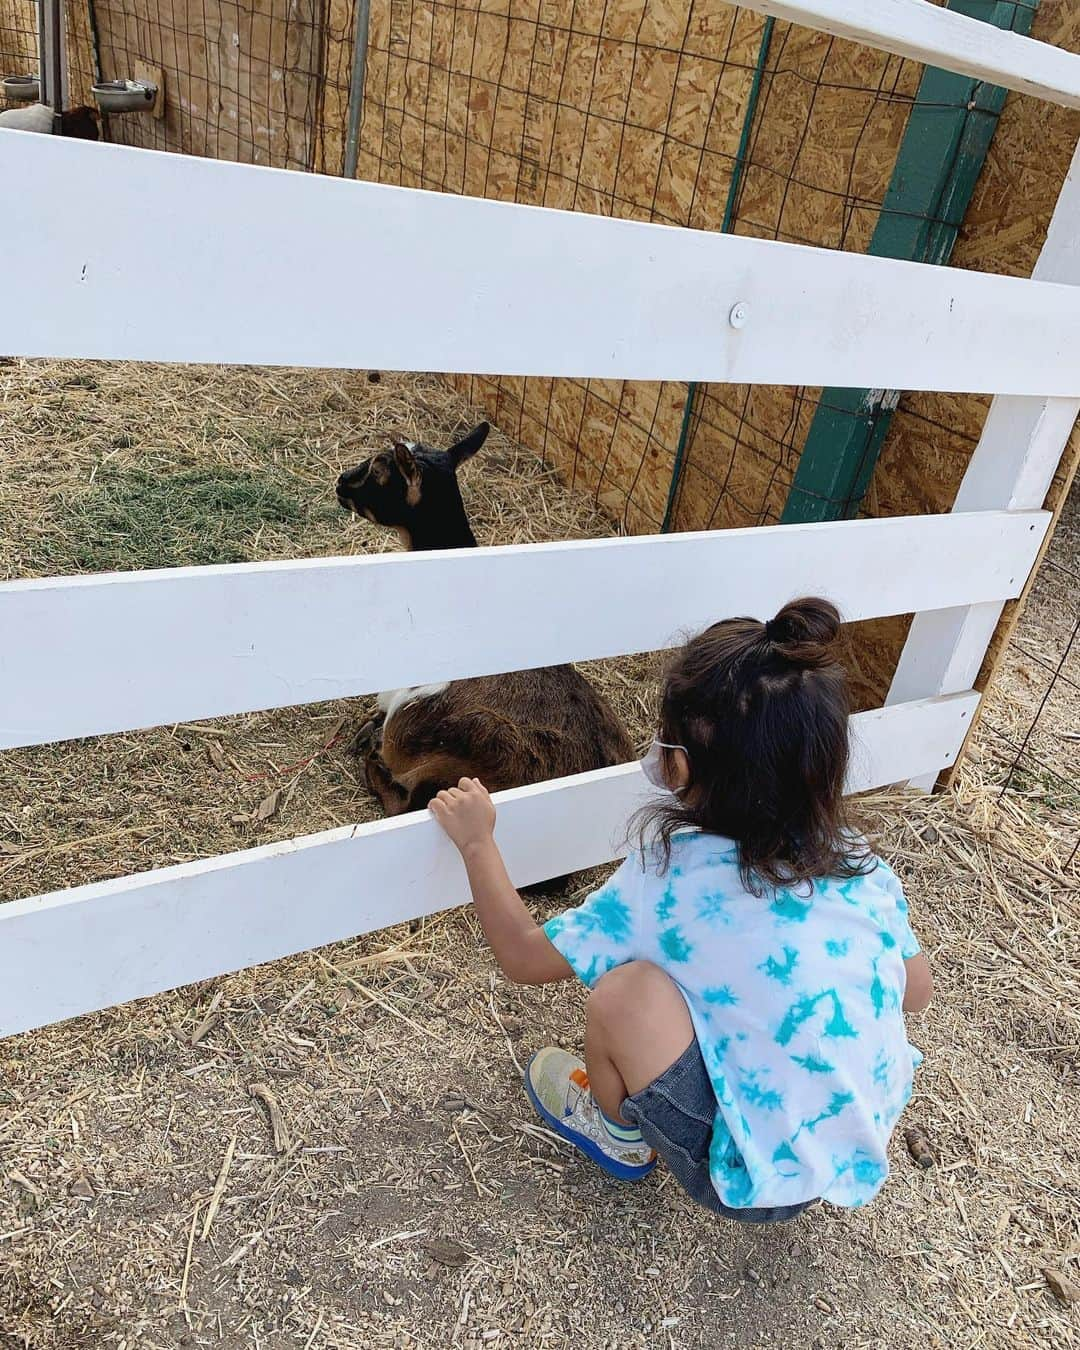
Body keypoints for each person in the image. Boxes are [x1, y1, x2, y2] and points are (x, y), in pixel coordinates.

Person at [430, 597, 932, 1222]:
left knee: (625, 993)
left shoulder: (667, 879)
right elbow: (915, 991)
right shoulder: (857, 860)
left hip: (748, 1180)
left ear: (682, 764)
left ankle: (617, 1136)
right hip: (853, 1147)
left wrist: (478, 843)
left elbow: (524, 957)